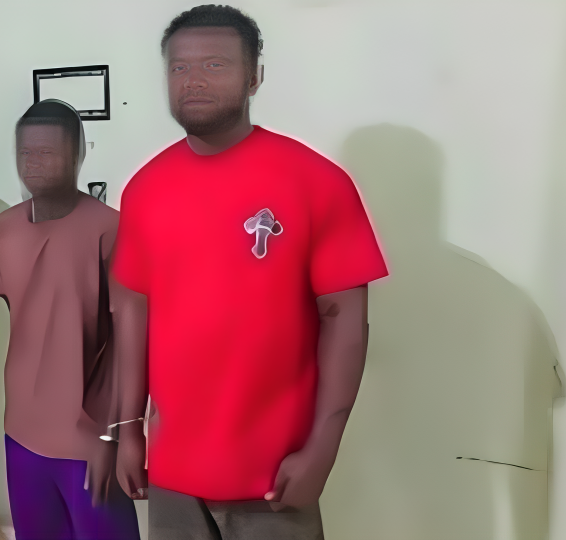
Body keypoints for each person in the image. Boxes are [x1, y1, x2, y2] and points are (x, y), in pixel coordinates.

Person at [111, 5, 389, 539]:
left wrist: (322, 449)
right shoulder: (144, 189)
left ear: (255, 76)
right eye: (179, 67)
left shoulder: (316, 182)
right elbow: (133, 314)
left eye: (215, 64)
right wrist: (126, 430)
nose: (193, 80)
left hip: (273, 480)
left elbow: (345, 321)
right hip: (171, 476)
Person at [0, 99, 148, 540]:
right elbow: (24, 319)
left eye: (47, 152)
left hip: (91, 436)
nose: (33, 163)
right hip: (21, 430)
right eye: (26, 152)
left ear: (77, 155)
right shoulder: (4, 229)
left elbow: (133, 339)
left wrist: (127, 430)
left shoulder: (112, 229)